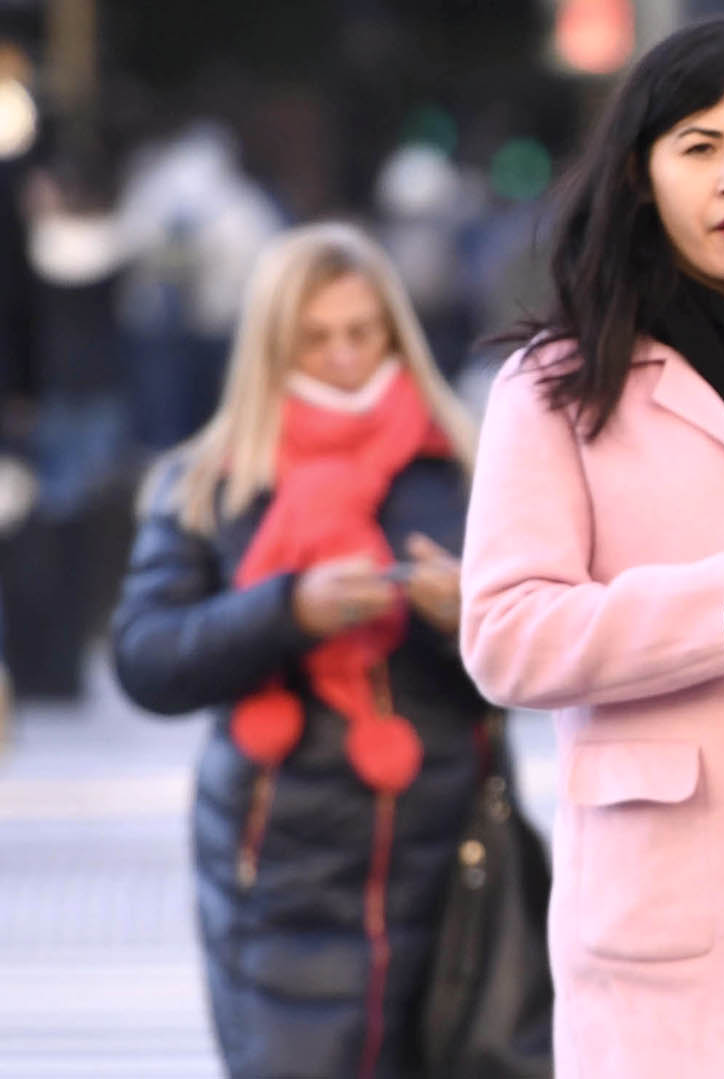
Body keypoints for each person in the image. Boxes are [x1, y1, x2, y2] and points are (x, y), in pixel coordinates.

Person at [458, 16, 724, 1078]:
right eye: (699, 147)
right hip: (663, 912)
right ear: (641, 172)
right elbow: (505, 635)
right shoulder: (554, 384)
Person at [111, 223, 501, 1078]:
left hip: (448, 861)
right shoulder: (209, 477)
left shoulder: (465, 465)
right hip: (278, 874)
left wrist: (466, 616)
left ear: (396, 332)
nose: (344, 357)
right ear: (272, 344)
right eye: (315, 337)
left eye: (363, 332)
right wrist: (285, 610)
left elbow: (533, 669)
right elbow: (145, 658)